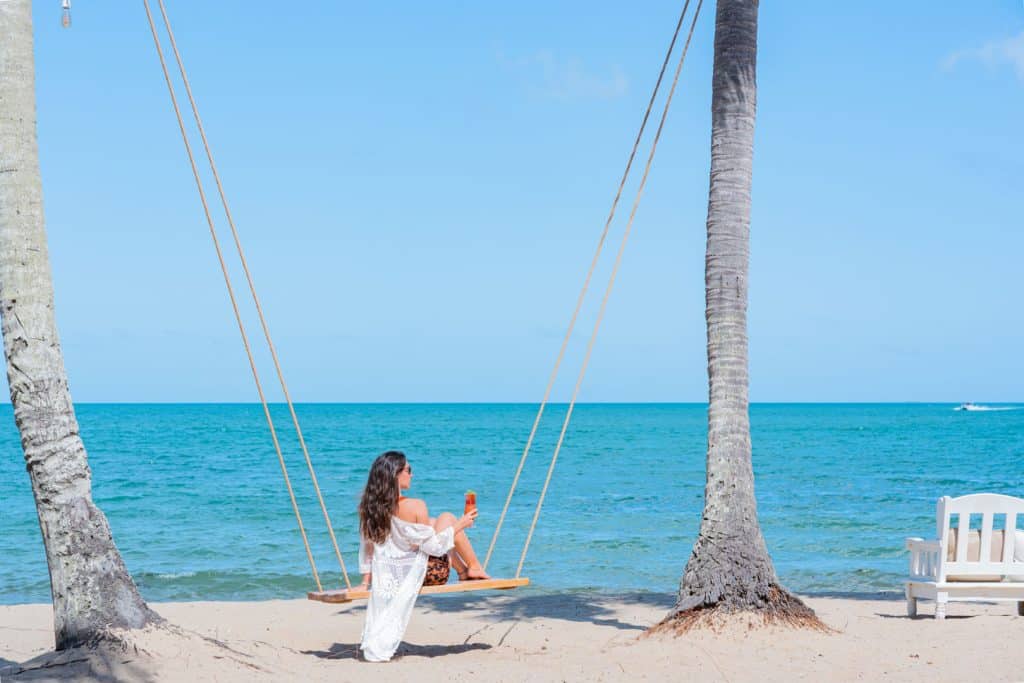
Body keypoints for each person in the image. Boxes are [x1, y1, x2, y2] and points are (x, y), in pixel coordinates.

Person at [357, 450, 491, 662]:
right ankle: (472, 566)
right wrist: (460, 525)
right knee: (447, 517)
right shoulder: (415, 505)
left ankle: (465, 570)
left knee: (433, 521)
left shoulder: (370, 508)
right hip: (428, 574)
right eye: (408, 470)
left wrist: (365, 582)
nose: (412, 474)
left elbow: (368, 549)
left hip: (393, 577)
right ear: (395, 475)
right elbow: (434, 548)